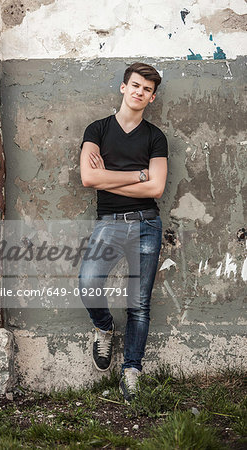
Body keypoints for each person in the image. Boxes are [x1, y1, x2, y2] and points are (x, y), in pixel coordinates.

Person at [79, 62, 168, 403]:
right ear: (123, 87)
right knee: (87, 283)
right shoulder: (97, 130)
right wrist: (137, 176)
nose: (138, 92)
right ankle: (104, 327)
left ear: (152, 96)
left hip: (147, 223)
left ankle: (132, 370)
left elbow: (157, 188)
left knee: (139, 304)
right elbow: (89, 179)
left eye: (146, 89)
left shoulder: (155, 137)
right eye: (134, 85)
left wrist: (113, 177)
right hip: (109, 223)